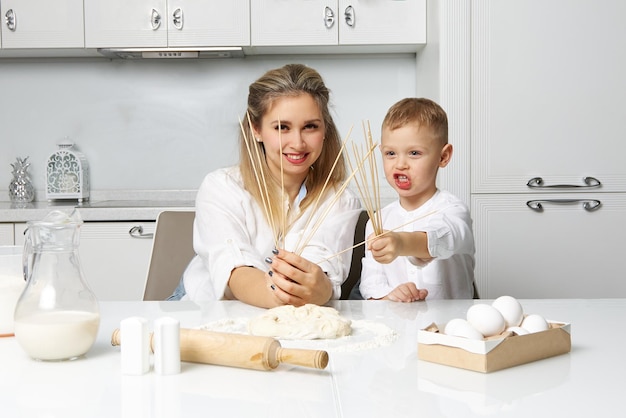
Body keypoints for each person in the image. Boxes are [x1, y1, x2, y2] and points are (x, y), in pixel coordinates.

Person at [169, 64, 362, 308]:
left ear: (325, 130)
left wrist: (319, 288)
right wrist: (293, 295)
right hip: (203, 309)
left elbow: (322, 271)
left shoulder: (340, 201)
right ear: (256, 129)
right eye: (282, 127)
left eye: (310, 126)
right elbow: (236, 272)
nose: (298, 143)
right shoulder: (221, 187)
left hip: (289, 318)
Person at [359, 98, 475, 302]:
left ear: (443, 156)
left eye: (414, 153)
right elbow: (371, 285)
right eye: (391, 153)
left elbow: (442, 238)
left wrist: (401, 242)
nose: (400, 164)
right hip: (398, 326)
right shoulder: (378, 221)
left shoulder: (453, 210)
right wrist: (389, 296)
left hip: (449, 327)